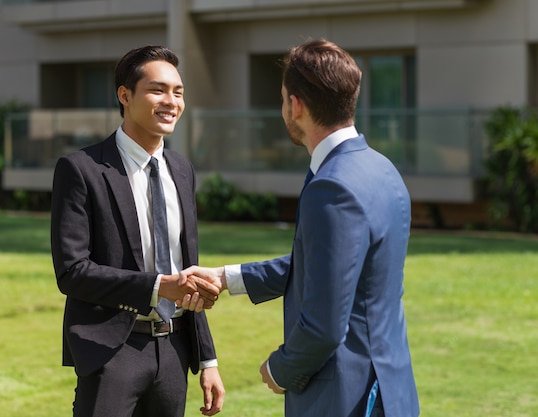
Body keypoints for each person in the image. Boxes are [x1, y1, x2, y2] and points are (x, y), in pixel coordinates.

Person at [180, 39, 419, 417]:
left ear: (296, 105)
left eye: (281, 99)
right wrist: (228, 278)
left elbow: (324, 326)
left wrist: (281, 368)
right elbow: (332, 268)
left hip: (345, 397)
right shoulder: (382, 168)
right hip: (391, 389)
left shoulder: (332, 185)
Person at [50, 45, 225, 417]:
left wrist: (207, 359)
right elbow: (72, 271)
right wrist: (159, 287)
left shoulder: (182, 170)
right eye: (158, 90)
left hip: (175, 350)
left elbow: (187, 266)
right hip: (113, 350)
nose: (171, 101)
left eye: (178, 92)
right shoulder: (81, 169)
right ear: (125, 96)